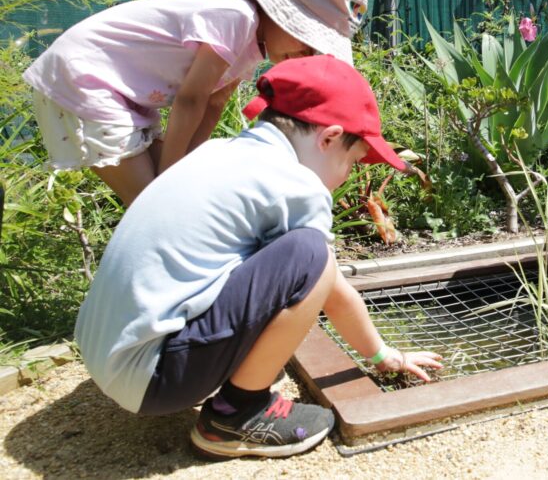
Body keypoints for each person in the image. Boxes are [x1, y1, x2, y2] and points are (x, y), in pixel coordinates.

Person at [74, 55, 442, 460]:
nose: (346, 176)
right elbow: (330, 286)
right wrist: (382, 355)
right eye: (352, 162)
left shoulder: (218, 153)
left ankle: (234, 388)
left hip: (108, 355)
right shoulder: (295, 184)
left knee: (294, 255)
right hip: (153, 380)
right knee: (310, 254)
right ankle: (237, 415)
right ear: (329, 138)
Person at [22, 0, 369, 206]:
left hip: (122, 94)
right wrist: (171, 176)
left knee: (169, 199)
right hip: (86, 75)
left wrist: (184, 168)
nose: (307, 53)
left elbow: (214, 105)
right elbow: (190, 99)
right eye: (307, 36)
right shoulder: (237, 17)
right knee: (152, 203)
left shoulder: (254, 44)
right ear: (278, 11)